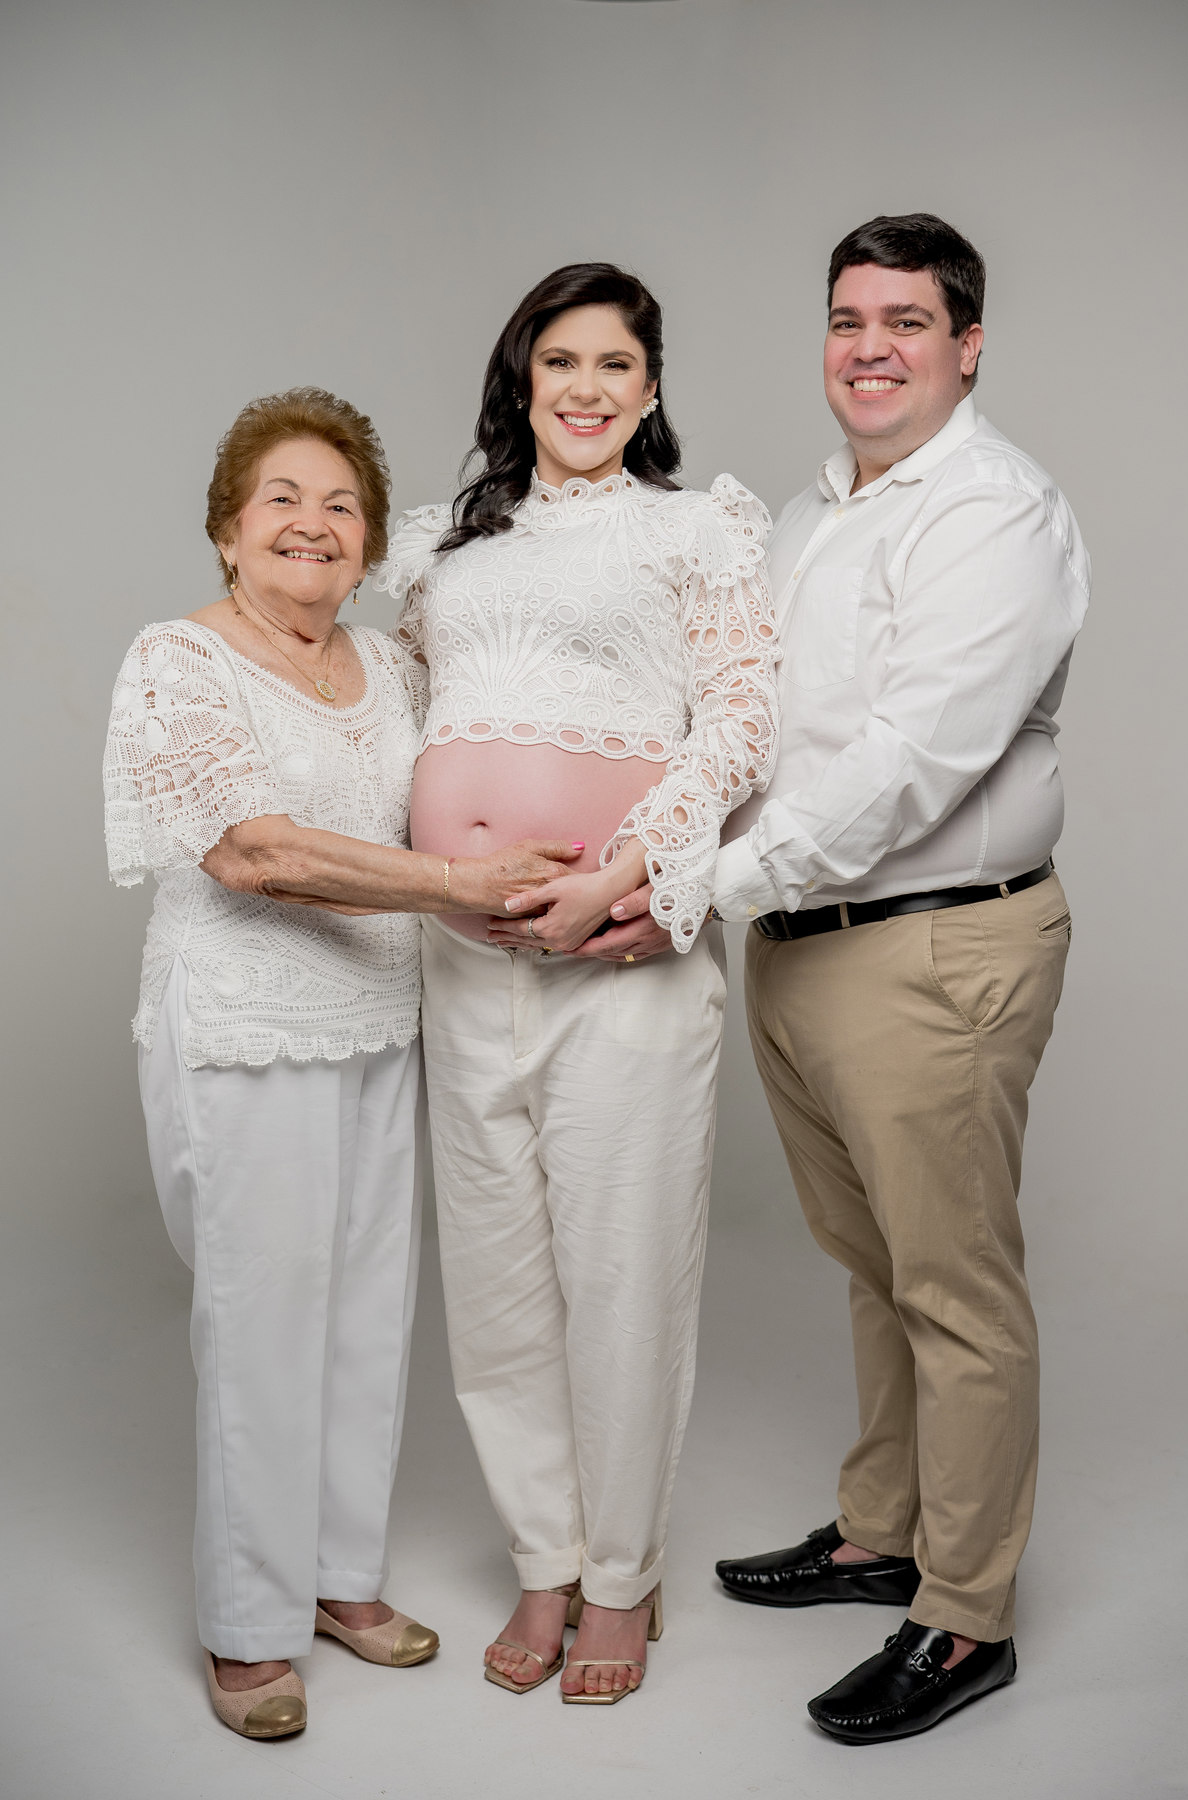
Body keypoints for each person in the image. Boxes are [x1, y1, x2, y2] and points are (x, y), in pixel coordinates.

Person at [103, 388, 577, 1738]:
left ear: (369, 543)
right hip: (245, 1026)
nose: (312, 524)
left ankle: (337, 1578)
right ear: (226, 530)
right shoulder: (180, 660)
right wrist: (459, 884)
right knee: (263, 1324)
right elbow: (251, 851)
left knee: (369, 1315)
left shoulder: (387, 662)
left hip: (381, 1018)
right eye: (282, 500)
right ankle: (247, 1629)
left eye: (342, 506)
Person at [707, 216, 1090, 1741]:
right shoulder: (813, 513)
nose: (870, 348)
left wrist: (701, 887)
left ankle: (967, 1615)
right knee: (874, 1266)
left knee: (955, 1288)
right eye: (848, 319)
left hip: (934, 948)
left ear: (968, 345)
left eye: (908, 322)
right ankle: (884, 1534)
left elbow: (914, 759)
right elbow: (757, 726)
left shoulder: (995, 513)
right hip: (804, 944)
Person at [379, 263, 778, 1703]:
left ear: (652, 386)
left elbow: (743, 723)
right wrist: (431, 875)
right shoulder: (442, 547)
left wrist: (627, 879)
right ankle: (543, 1557)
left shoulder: (696, 528)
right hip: (462, 956)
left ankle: (621, 1574)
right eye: (562, 362)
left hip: (621, 952)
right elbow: (404, 725)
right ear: (523, 379)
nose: (589, 388)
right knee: (495, 1278)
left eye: (617, 363)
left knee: (622, 1266)